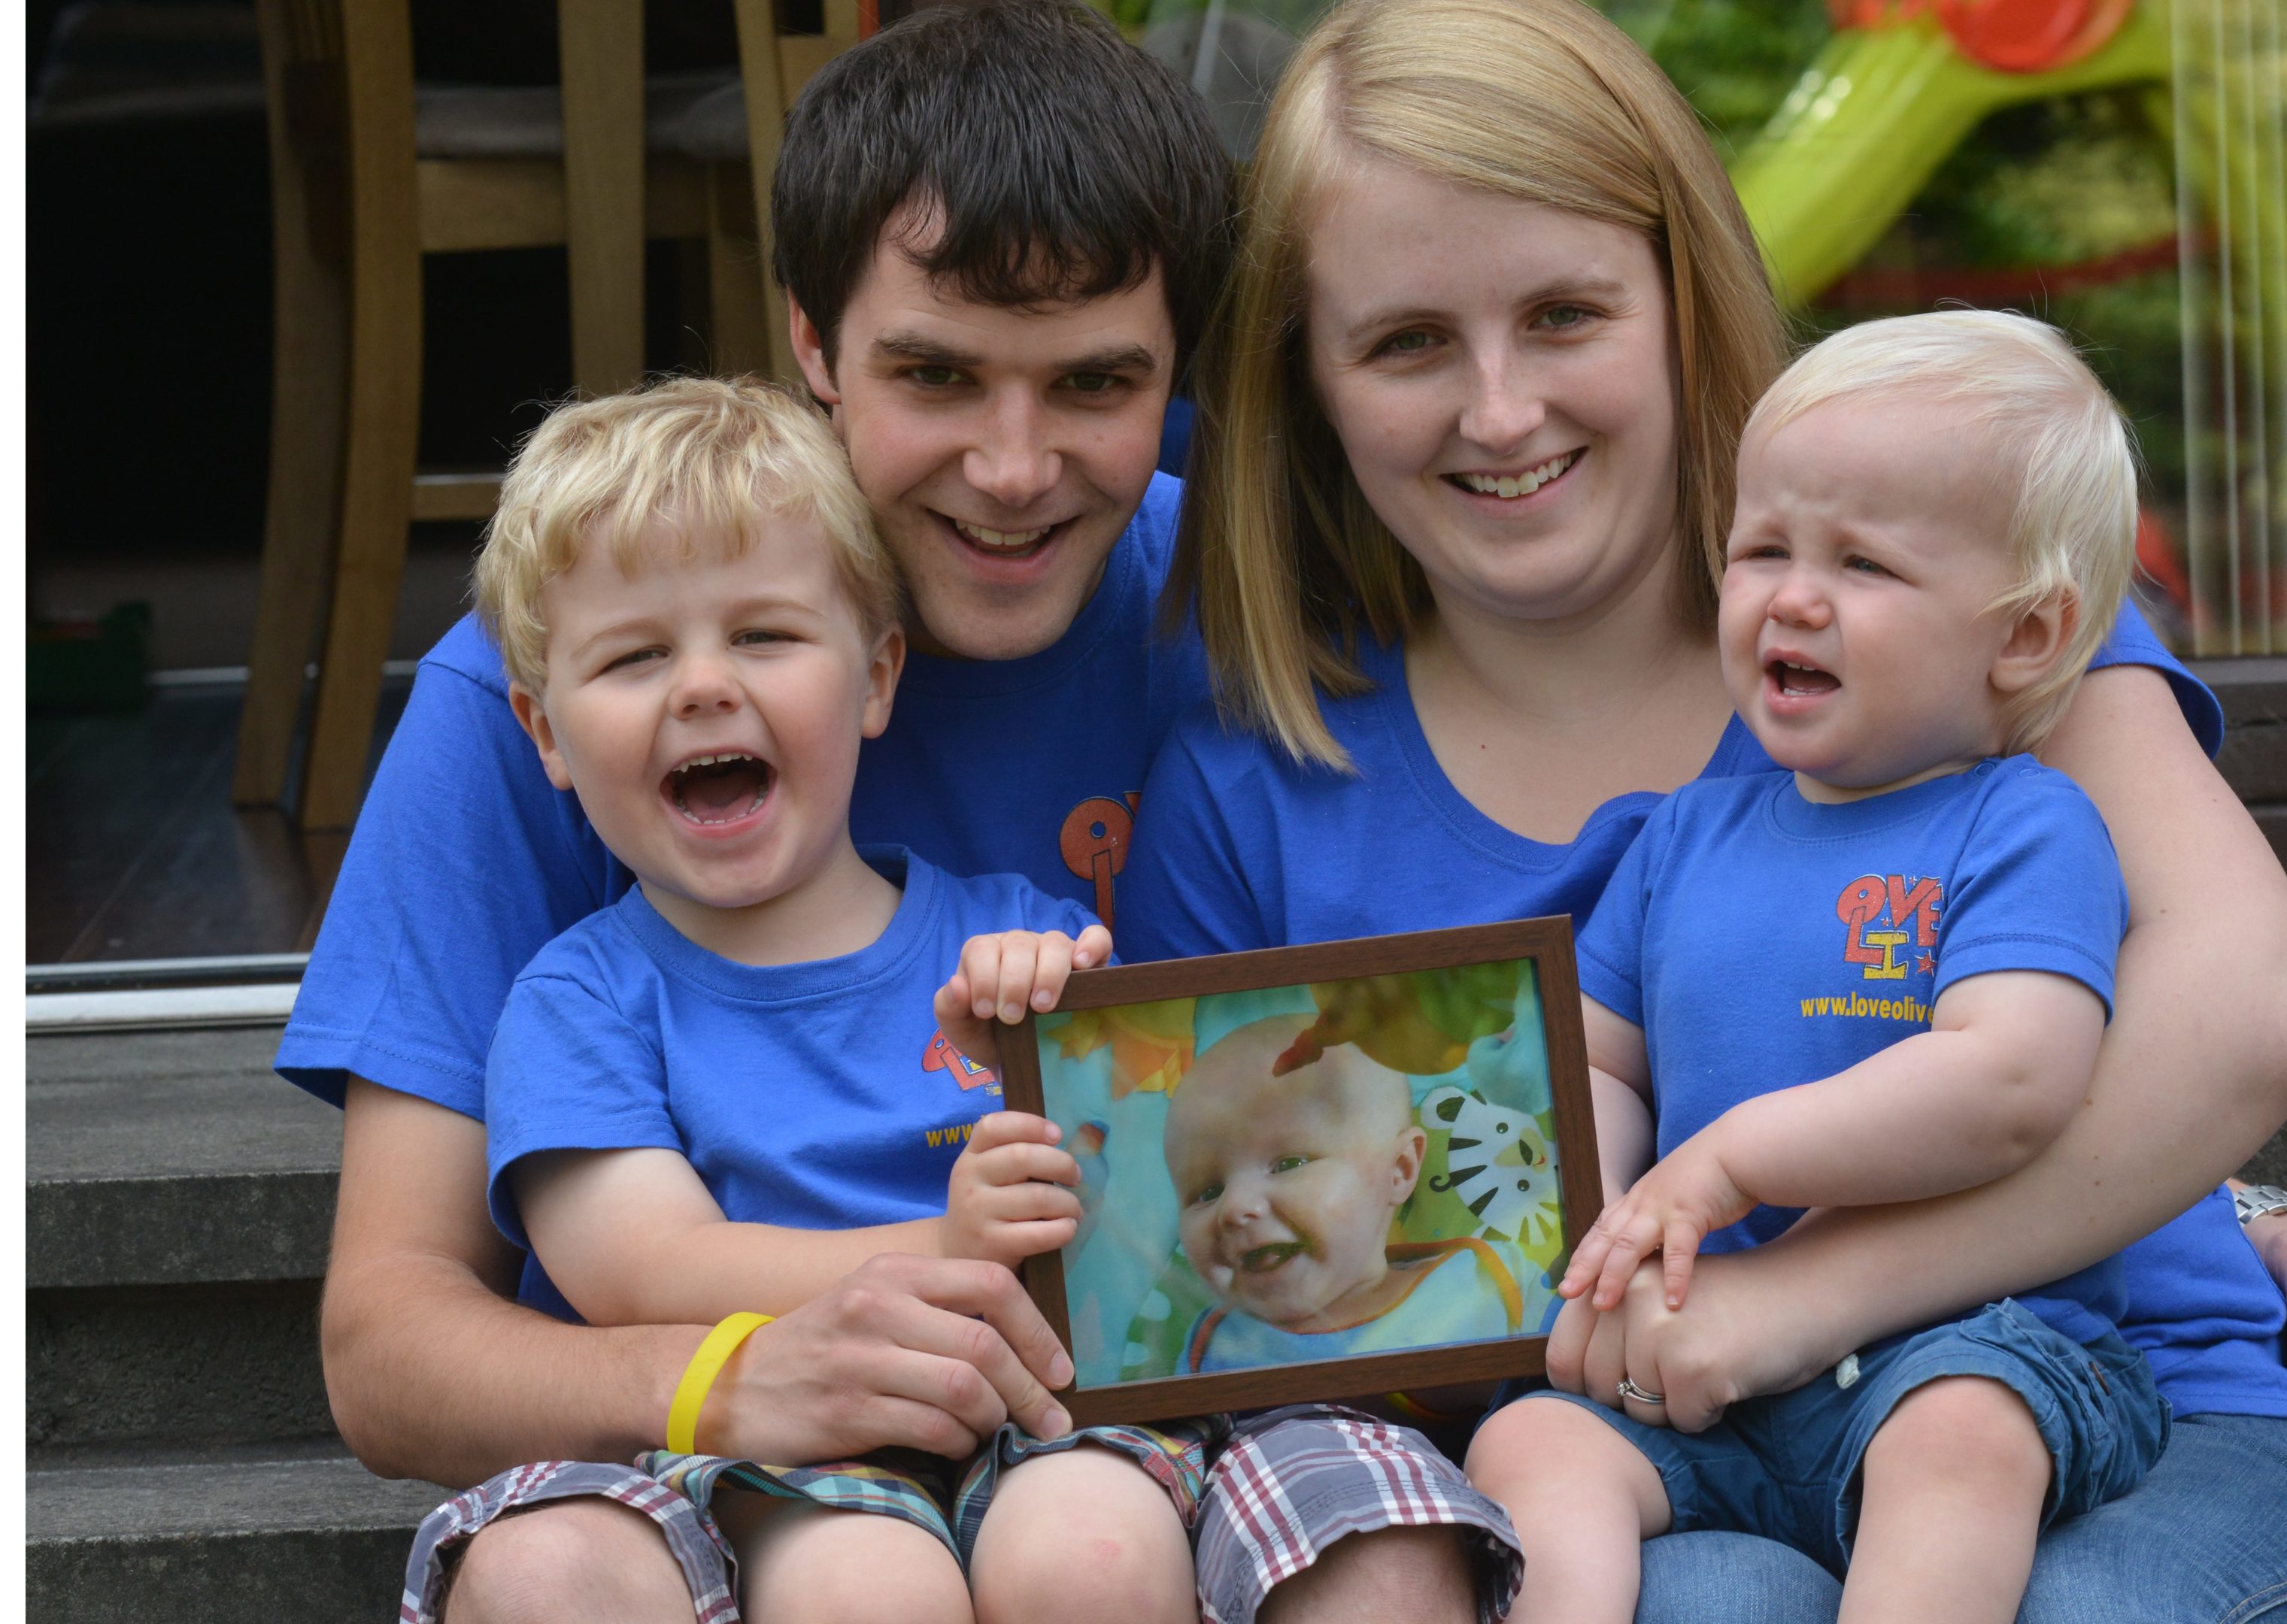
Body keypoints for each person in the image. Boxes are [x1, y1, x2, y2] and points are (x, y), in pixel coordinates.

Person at [1115, 0, 2287, 1617]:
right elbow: (1212, 1272)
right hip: (1664, 1450)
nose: (1501, 408)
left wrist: (1803, 1295)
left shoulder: (1947, 610)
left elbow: (2244, 1019)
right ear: (1304, 383)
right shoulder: (1254, 787)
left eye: (1563, 313)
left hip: (2124, 1407)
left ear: (1679, 299)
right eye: (1404, 344)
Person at [275, 8, 1253, 1622]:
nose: (1012, 469)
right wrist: (736, 1386)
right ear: (811, 343)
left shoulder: (1243, 613)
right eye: (934, 375)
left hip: (1106, 1431)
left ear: (1175, 377)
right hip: (712, 1442)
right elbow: (386, 1350)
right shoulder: (561, 681)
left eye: (1093, 384)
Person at [402, 374, 1223, 1623]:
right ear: (545, 736)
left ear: (876, 676)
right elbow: (648, 1267)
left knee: (1096, 1556)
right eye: (632, 657)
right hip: (786, 1443)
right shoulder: (578, 1001)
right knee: (865, 1590)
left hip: (1049, 1407)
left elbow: (1164, 1180)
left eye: (764, 637)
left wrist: (1068, 1038)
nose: (700, 688)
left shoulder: (1020, 933)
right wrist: (939, 1253)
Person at [1470, 312, 2172, 1622]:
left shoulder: (2021, 826)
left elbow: (2010, 1078)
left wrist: (1735, 1158)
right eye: (1762, 551)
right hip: (1699, 1373)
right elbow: (1590, 1061)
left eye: (1859, 563)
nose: (1790, 596)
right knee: (1528, 1444)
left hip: (1968, 1339)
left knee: (1958, 1439)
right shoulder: (1680, 834)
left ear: (2020, 637)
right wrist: (1606, 1227)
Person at [1161, 998, 1551, 1373]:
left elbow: (1580, 1371)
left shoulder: (1486, 1281)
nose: (1234, 1207)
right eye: (1207, 1191)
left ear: (1399, 1169)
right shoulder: (1216, 1349)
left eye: (1288, 1164)